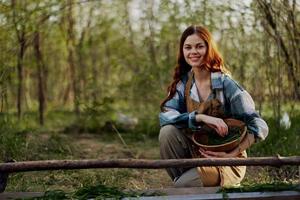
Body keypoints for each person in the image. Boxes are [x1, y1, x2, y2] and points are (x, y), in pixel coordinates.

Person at [159, 25, 269, 187]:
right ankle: (187, 181)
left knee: (183, 186)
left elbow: (259, 124)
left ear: (209, 48)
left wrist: (232, 154)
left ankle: (191, 184)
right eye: (188, 47)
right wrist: (200, 117)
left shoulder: (226, 84)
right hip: (195, 154)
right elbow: (165, 116)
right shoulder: (183, 84)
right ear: (182, 51)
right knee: (167, 131)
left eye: (199, 46)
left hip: (226, 160)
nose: (193, 52)